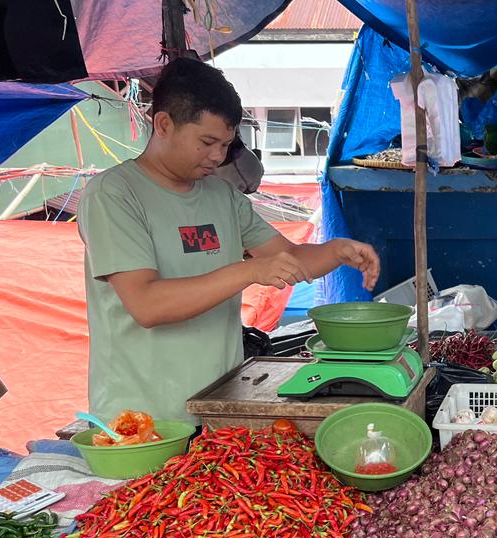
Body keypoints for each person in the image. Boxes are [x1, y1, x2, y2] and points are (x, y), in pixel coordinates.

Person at [79, 58, 380, 424]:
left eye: (225, 144)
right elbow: (147, 304)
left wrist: (337, 251)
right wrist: (249, 270)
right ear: (163, 124)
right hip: (143, 420)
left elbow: (288, 258)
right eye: (207, 142)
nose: (218, 156)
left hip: (218, 409)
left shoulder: (221, 196)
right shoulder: (113, 195)